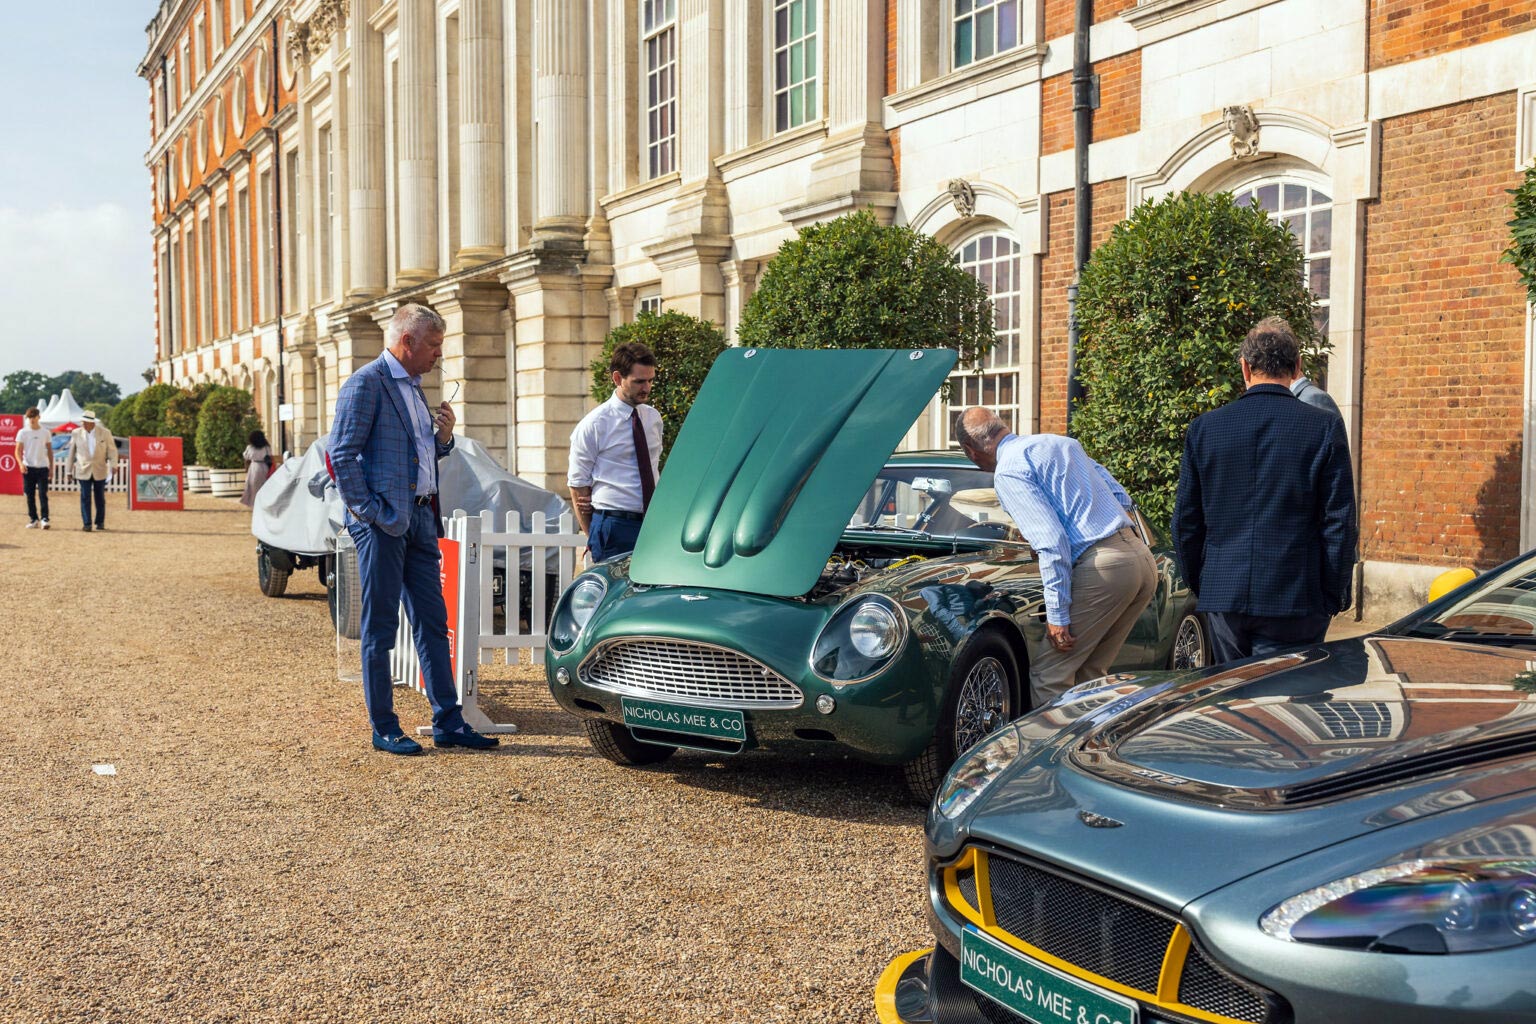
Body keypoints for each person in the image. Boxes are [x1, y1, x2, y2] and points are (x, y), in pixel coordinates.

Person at [329, 303, 498, 756]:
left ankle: (449, 722)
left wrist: (444, 439)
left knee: (433, 622)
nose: (438, 356)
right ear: (408, 341)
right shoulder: (365, 384)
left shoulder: (414, 388)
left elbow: (419, 457)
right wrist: (370, 513)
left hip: (421, 519)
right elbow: (340, 456)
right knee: (380, 628)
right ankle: (383, 726)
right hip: (383, 525)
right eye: (434, 346)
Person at [1173, 316, 1358, 664]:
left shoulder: (1206, 428)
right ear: (1297, 366)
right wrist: (1333, 593)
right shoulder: (1322, 426)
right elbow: (1339, 521)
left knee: (1235, 703)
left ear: (1245, 367)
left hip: (1224, 593)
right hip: (1297, 595)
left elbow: (1186, 521)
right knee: (1288, 706)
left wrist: (1205, 583)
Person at [954, 408, 1158, 706]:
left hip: (1103, 568)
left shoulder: (1008, 470)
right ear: (1003, 427)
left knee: (1049, 675)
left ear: (971, 451)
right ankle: (1093, 750)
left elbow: (1051, 542)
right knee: (1092, 674)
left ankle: (1051, 753)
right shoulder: (1061, 443)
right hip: (1139, 558)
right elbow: (1121, 495)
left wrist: (1058, 614)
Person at [567, 342, 663, 563]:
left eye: (650, 380)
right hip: (613, 525)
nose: (646, 388)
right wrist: (593, 536)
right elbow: (577, 484)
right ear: (618, 378)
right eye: (639, 381)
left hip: (653, 524)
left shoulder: (653, 419)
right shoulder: (594, 424)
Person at [66, 410, 116, 532]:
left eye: (86, 422)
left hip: (100, 469)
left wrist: (113, 465)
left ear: (92, 422)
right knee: (85, 496)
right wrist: (68, 471)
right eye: (82, 422)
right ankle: (87, 523)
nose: (83, 424)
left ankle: (100, 522)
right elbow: (71, 453)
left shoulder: (105, 433)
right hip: (83, 469)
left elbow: (112, 451)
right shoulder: (76, 433)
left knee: (100, 497)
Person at [15, 407, 51, 530]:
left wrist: (51, 466)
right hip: (28, 468)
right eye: (29, 417)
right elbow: (17, 451)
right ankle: (34, 519)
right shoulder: (23, 432)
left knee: (42, 494)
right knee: (29, 495)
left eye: (34, 417)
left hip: (42, 467)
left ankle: (45, 519)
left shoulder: (45, 432)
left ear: (38, 417)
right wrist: (20, 464)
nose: (31, 420)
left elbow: (50, 450)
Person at [240, 429, 272, 508]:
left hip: (254, 467)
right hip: (264, 467)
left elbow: (246, 456)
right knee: (263, 485)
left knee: (252, 485)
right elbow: (269, 456)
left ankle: (253, 503)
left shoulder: (250, 447)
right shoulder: (266, 447)